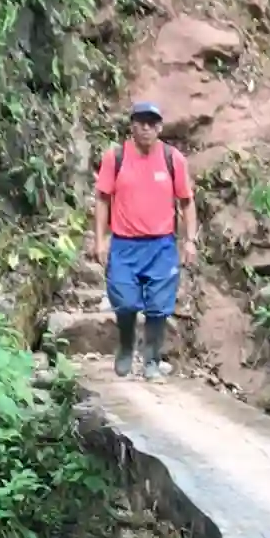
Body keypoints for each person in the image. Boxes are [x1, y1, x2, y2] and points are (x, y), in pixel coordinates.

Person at [92, 100, 198, 380]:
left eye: (152, 123)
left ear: (160, 127)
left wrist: (190, 240)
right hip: (125, 245)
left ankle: (151, 359)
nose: (146, 128)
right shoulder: (115, 157)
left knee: (158, 307)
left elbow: (187, 202)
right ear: (132, 126)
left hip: (161, 246)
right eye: (141, 122)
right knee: (125, 302)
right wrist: (100, 239)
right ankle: (126, 344)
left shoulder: (172, 159)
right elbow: (102, 199)